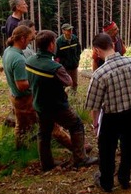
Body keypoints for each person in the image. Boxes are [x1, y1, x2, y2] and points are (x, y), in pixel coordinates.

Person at [26, 30, 97, 171]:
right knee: (76, 124)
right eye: (54, 42)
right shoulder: (55, 67)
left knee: (44, 133)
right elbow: (69, 82)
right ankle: (81, 158)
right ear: (51, 45)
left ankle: (46, 163)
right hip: (57, 106)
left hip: (39, 105)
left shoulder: (30, 61)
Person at [85, 33, 131, 192]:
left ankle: (107, 183)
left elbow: (95, 105)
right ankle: (124, 179)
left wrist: (96, 124)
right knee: (128, 148)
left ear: (97, 51)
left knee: (107, 151)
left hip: (111, 118)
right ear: (112, 43)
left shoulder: (99, 74)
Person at [2, 25, 36, 148]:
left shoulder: (8, 51)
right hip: (25, 99)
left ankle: (20, 149)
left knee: (21, 126)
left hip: (15, 96)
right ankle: (76, 148)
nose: (28, 43)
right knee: (50, 124)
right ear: (22, 38)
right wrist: (36, 79)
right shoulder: (18, 59)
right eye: (28, 40)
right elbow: (22, 85)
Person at [55, 23, 82, 92]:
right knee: (65, 83)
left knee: (74, 83)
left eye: (71, 29)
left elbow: (79, 50)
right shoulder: (59, 41)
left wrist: (77, 59)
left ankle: (74, 96)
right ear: (63, 31)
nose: (70, 31)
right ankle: (64, 98)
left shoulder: (75, 38)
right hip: (65, 67)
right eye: (68, 30)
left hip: (74, 66)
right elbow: (56, 55)